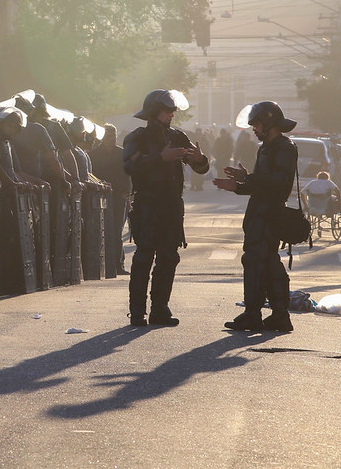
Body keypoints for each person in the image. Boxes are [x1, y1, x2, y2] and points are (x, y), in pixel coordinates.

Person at [123, 89, 209, 326]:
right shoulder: (137, 137)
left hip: (171, 206)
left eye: (173, 110)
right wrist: (160, 158)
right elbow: (130, 166)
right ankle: (137, 312)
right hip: (148, 204)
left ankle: (160, 309)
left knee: (169, 257)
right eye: (166, 110)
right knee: (143, 257)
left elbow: (200, 167)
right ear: (153, 111)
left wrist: (200, 159)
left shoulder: (178, 136)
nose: (172, 113)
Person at [214, 101, 297, 332]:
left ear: (269, 123)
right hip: (259, 212)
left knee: (256, 262)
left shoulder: (284, 147)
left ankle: (256, 314)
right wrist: (239, 185)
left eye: (257, 124)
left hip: (269, 214)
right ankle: (278, 315)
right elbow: (261, 184)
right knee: (267, 262)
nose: (254, 129)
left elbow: (277, 183)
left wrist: (247, 178)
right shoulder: (266, 147)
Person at [90, 123, 131, 274]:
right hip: (99, 196)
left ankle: (118, 265)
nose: (111, 139)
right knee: (100, 230)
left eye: (113, 136)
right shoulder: (94, 155)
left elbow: (128, 175)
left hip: (118, 196)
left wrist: (127, 194)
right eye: (108, 136)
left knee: (116, 230)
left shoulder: (121, 153)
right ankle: (102, 264)